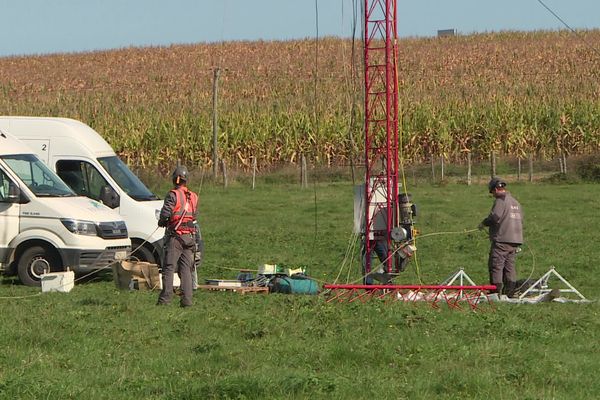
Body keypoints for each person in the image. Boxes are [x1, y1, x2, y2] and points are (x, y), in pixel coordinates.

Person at [157, 165, 199, 307]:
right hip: (189, 238)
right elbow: (194, 216)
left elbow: (165, 214)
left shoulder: (173, 195)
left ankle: (165, 300)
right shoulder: (194, 197)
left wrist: (162, 222)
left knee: (169, 268)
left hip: (175, 237)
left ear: (176, 179)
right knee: (186, 270)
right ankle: (187, 301)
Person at [479, 177, 523, 298]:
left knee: (496, 265)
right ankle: (510, 292)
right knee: (509, 267)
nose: (492, 194)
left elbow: (495, 217)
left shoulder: (500, 200)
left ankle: (495, 292)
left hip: (502, 239)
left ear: (495, 189)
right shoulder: (515, 202)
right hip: (515, 239)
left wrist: (484, 223)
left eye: (492, 192)